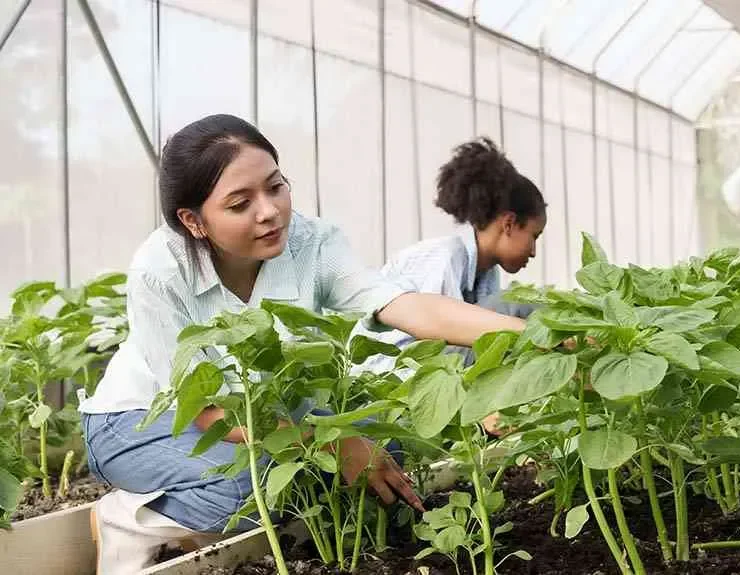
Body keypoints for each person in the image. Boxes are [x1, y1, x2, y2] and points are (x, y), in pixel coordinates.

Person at [78, 114, 526, 574]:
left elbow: (404, 305)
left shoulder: (310, 242)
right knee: (251, 489)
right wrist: (334, 443)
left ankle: (192, 514)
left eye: (275, 186)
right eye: (240, 204)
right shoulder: (159, 270)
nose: (269, 211)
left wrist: (531, 338)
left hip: (261, 416)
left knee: (387, 447)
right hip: (140, 420)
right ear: (194, 221)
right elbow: (208, 411)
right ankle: (129, 520)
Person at [357, 137, 545, 374]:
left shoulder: (486, 273)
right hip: (392, 379)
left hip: (429, 372)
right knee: (520, 306)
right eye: (534, 236)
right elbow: (436, 336)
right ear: (509, 224)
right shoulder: (444, 257)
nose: (533, 251)